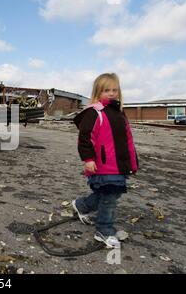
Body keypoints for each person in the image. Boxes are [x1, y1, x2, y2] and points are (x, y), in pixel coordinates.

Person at [71, 73, 138, 248]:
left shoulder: (120, 113)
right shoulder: (94, 113)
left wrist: (132, 162)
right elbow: (84, 138)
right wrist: (88, 159)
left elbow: (128, 141)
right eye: (107, 90)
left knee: (108, 193)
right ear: (98, 92)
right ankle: (104, 230)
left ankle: (81, 205)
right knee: (109, 197)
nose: (111, 93)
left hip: (119, 164)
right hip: (101, 164)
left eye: (115, 90)